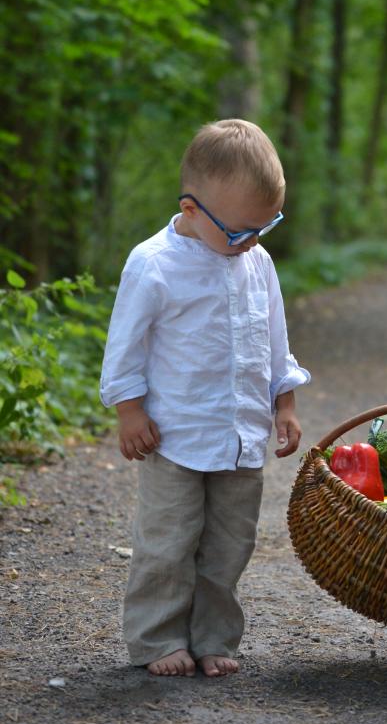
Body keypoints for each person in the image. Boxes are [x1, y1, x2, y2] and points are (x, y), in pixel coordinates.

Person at [100, 118, 310, 678]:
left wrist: (283, 402)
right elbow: (126, 342)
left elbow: (273, 336)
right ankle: (157, 638)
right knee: (167, 542)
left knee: (228, 547)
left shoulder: (256, 263)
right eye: (239, 230)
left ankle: (215, 637)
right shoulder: (153, 264)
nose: (251, 241)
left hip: (241, 435)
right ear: (192, 209)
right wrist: (129, 409)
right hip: (175, 434)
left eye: (264, 228)